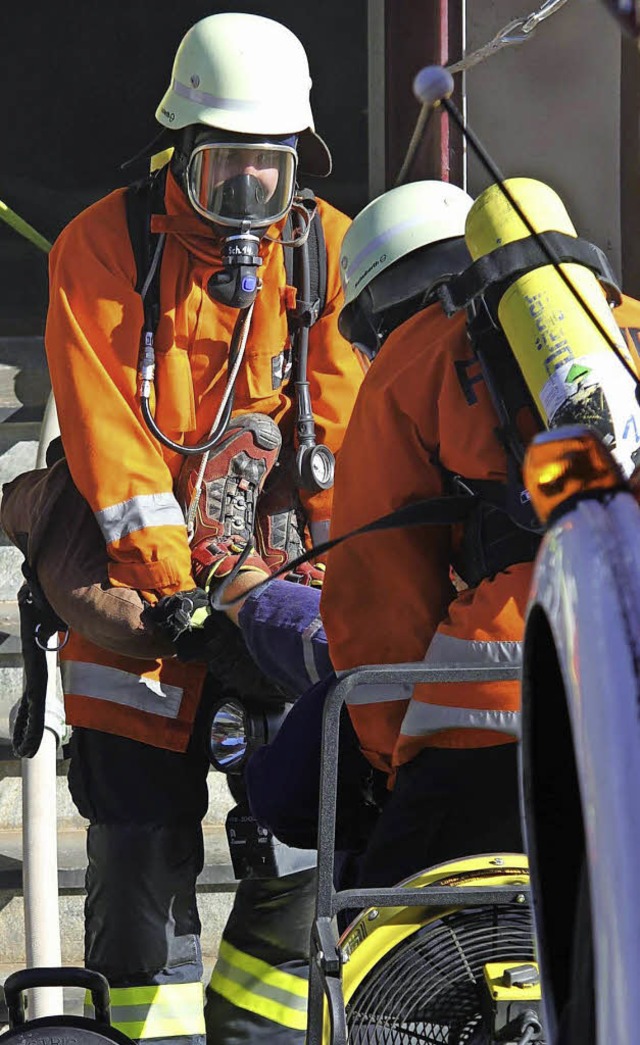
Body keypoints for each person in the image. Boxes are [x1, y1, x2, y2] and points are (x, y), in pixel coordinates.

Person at [42, 12, 363, 1045]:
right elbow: (112, 447)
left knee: (301, 856)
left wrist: (301, 584)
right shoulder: (101, 247)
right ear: (177, 148)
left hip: (271, 601)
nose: (245, 200)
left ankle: (258, 1036)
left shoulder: (326, 252)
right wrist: (176, 589)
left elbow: (352, 438)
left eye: (264, 174)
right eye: (222, 168)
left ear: (296, 166)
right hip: (139, 611)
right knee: (138, 863)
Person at [228, 176, 640, 893]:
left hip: (505, 692)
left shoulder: (415, 358)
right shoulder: (624, 322)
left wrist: (395, 758)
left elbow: (376, 598)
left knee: (392, 935)